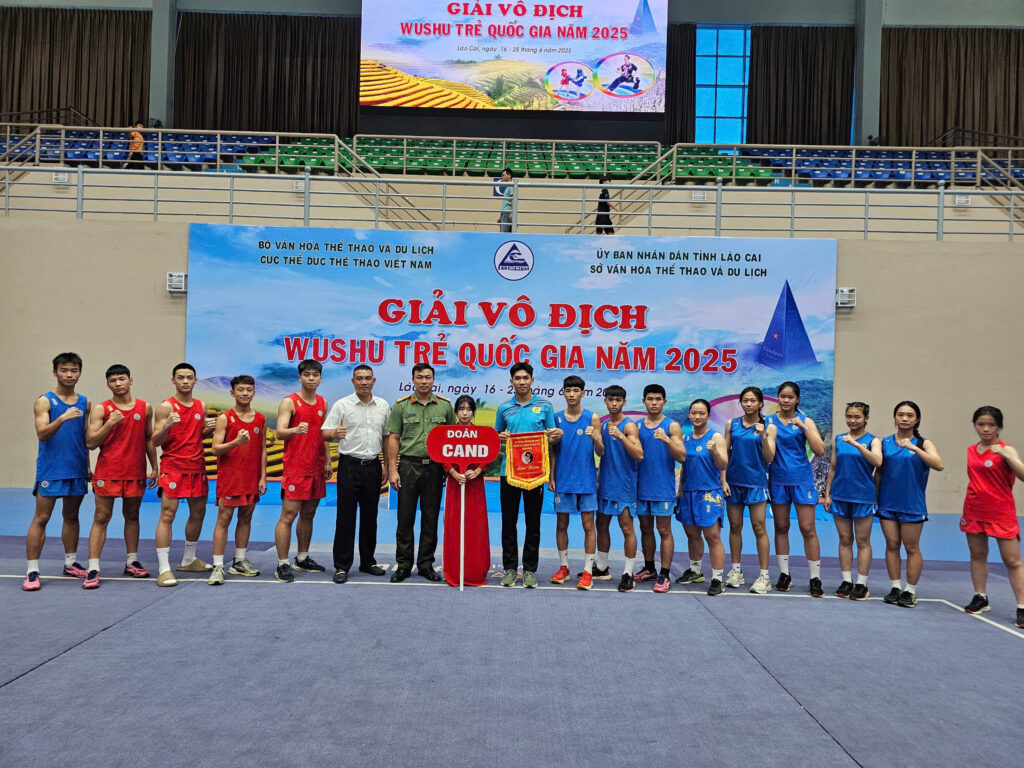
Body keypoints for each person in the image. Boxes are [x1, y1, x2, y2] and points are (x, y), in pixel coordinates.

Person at [83, 364, 159, 589]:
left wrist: (155, 466)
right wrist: (110, 423)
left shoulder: (145, 407)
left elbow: (148, 438)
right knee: (101, 517)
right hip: (108, 472)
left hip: (135, 471)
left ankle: (131, 562)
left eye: (122, 379)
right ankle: (93, 567)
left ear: (130, 381)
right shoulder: (102, 409)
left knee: (132, 516)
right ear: (108, 384)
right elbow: (91, 442)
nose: (118, 384)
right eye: (113, 380)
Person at [23, 353, 91, 591]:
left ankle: (70, 564)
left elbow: (85, 437)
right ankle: (32, 571)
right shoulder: (45, 401)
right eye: (64, 370)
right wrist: (62, 418)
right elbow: (42, 434)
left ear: (80, 372)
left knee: (72, 516)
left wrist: (88, 465)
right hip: (51, 470)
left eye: (74, 370)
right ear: (55, 372)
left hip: (77, 468)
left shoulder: (85, 402)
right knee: (41, 518)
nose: (69, 375)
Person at [385, 363, 454, 583]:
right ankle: (404, 565)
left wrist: (448, 468)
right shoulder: (402, 406)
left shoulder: (445, 406)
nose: (424, 381)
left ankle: (426, 565)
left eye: (428, 377)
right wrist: (393, 469)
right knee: (405, 518)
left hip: (434, 468)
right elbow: (394, 438)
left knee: (430, 518)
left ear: (434, 380)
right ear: (413, 380)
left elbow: (452, 437)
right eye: (420, 377)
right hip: (408, 466)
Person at [494, 362, 561, 588]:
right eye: (517, 378)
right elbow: (495, 437)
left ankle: (530, 570)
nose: (521, 382)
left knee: (533, 523)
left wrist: (556, 435)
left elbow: (552, 439)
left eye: (525, 378)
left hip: (535, 473)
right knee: (508, 522)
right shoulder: (504, 408)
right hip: (509, 473)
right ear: (511, 381)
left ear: (532, 380)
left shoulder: (545, 406)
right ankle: (510, 569)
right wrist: (499, 437)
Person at [322, 364, 390, 584]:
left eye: (367, 378)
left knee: (371, 516)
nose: (363, 382)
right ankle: (342, 566)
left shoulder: (383, 405)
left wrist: (387, 466)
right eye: (359, 378)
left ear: (374, 381)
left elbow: (387, 437)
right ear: (353, 381)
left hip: (373, 466)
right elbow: (325, 433)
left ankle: (368, 562)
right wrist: (334, 433)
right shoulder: (342, 405)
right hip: (349, 466)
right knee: (345, 517)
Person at [151, 362, 215, 587]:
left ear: (195, 380)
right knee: (167, 515)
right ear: (173, 380)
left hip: (197, 467)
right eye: (181, 377)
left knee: (198, 513)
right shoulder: (165, 407)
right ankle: (163, 569)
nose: (185, 381)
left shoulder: (201, 406)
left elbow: (195, 435)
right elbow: (155, 441)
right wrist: (167, 425)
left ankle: (188, 559)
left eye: (189, 377)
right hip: (174, 467)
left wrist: (208, 429)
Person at [959, 406, 1024, 628]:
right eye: (981, 424)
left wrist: (1007, 456)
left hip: (1001, 512)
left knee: (1012, 561)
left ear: (999, 427)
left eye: (991, 425)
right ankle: (980, 597)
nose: (986, 429)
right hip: (974, 510)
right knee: (978, 555)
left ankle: (1022, 606)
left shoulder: (1007, 450)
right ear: (975, 425)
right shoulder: (971, 450)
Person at [877, 400, 944, 608]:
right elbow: (879, 472)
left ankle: (910, 591)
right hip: (887, 503)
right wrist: (875, 498)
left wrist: (914, 448)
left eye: (909, 415)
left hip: (912, 505)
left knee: (912, 547)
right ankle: (895, 587)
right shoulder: (885, 442)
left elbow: (938, 465)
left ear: (917, 419)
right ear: (894, 417)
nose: (904, 418)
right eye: (900, 414)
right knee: (891, 545)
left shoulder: (924, 443)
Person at [273, 359, 332, 583]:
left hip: (316, 467)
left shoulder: (323, 402)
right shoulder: (289, 402)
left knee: (308, 514)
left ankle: (302, 558)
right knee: (288, 516)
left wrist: (327, 461)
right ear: (300, 377)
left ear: (320, 378)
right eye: (307, 374)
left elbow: (323, 435)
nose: (311, 378)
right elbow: (279, 432)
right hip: (296, 468)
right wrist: (295, 429)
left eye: (315, 375)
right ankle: (282, 563)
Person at [767, 381, 827, 596]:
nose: (786, 400)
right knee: (781, 527)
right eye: (782, 396)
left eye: (790, 397)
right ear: (778, 397)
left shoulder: (805, 420)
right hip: (777, 480)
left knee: (808, 528)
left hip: (802, 480)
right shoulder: (769, 421)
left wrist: (804, 428)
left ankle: (815, 578)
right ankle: (784, 575)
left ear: (797, 399)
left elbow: (820, 450)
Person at [207, 375, 267, 585]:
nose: (245, 393)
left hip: (251, 479)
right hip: (230, 479)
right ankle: (217, 566)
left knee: (246, 518)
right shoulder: (225, 418)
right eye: (240, 390)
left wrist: (263, 477)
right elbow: (215, 449)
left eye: (249, 390)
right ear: (232, 392)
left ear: (254, 393)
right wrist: (236, 442)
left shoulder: (260, 419)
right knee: (224, 519)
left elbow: (262, 449)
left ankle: (239, 561)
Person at [824, 402, 881, 600]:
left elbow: (878, 461)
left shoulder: (873, 440)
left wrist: (857, 445)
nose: (852, 420)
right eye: (849, 416)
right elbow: (833, 468)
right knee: (845, 539)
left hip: (863, 497)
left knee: (863, 541)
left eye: (857, 417)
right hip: (840, 496)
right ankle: (847, 581)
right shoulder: (839, 439)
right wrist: (828, 494)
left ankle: (861, 584)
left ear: (866, 418)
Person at [550, 376, 602, 589]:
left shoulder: (592, 418)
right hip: (563, 480)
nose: (572, 394)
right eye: (568, 390)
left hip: (586, 480)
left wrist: (595, 438)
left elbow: (601, 451)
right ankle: (564, 567)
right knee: (561, 525)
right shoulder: (556, 418)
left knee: (588, 525)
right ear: (563, 392)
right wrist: (551, 477)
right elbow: (552, 451)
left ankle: (588, 571)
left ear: (583, 393)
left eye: (576, 390)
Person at [724, 386, 777, 594]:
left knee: (759, 527)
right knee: (735, 526)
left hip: (756, 484)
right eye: (745, 400)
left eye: (753, 400)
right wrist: (723, 480)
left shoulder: (769, 427)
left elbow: (769, 457)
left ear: (760, 403)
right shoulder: (732, 424)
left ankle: (764, 576)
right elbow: (725, 454)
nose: (748, 404)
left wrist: (763, 436)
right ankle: (736, 571)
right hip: (733, 483)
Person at [634, 384, 686, 593]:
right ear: (644, 401)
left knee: (664, 530)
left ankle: (664, 574)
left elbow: (682, 456)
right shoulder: (637, 426)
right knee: (645, 529)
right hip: (641, 487)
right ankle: (650, 569)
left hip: (663, 487)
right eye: (650, 399)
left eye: (658, 399)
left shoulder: (672, 426)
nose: (654, 403)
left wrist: (666, 440)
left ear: (664, 401)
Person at [675, 399, 729, 596]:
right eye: (694, 413)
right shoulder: (685, 438)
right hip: (688, 493)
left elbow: (723, 464)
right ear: (689, 414)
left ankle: (717, 579)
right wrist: (680, 490)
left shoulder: (716, 437)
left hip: (709, 494)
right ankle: (696, 571)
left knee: (712, 536)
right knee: (692, 534)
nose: (697, 416)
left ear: (708, 415)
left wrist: (714, 451)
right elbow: (684, 466)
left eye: (701, 413)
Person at [596, 385, 644, 592]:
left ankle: (627, 573)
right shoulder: (603, 425)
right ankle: (602, 567)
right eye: (610, 399)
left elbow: (639, 455)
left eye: (618, 400)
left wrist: (622, 436)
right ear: (605, 401)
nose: (614, 403)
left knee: (626, 527)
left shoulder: (629, 425)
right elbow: (603, 455)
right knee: (601, 525)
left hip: (624, 486)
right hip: (606, 483)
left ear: (624, 402)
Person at [442, 395, 492, 587]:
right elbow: (443, 457)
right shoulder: (448, 433)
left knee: (475, 526)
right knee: (454, 526)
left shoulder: (481, 433)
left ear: (473, 412)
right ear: (456, 412)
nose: (465, 413)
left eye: (468, 409)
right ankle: (454, 571)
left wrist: (478, 471)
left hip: (474, 486)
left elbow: (487, 456)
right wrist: (453, 473)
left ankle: (475, 571)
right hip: (455, 485)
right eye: (461, 409)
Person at [497, 167, 513, 232]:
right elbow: (506, 203)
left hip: (507, 213)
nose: (502, 177)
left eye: (503, 175)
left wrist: (511, 213)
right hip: (505, 213)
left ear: (509, 175)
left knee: (503, 234)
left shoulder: (511, 185)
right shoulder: (508, 187)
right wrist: (500, 216)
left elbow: (513, 200)